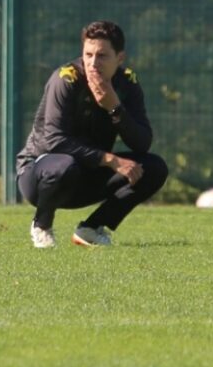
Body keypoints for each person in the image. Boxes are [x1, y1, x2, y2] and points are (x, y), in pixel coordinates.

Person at [16, 21, 168, 248]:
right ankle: (42, 225)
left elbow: (142, 142)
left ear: (120, 58)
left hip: (85, 174)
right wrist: (111, 160)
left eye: (102, 56)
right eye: (88, 54)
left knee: (154, 168)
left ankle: (91, 228)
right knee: (64, 165)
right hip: (42, 175)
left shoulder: (127, 83)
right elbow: (55, 140)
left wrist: (114, 107)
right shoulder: (65, 79)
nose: (93, 63)